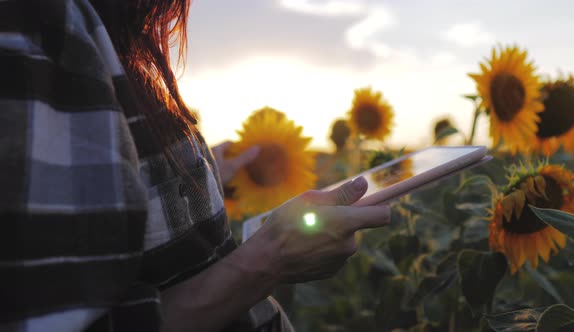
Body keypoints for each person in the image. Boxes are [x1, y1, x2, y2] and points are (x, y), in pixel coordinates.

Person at [0, 0, 391, 331]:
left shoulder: (89, 28)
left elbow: (79, 191)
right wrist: (268, 260)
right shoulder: (34, 24)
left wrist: (195, 178)